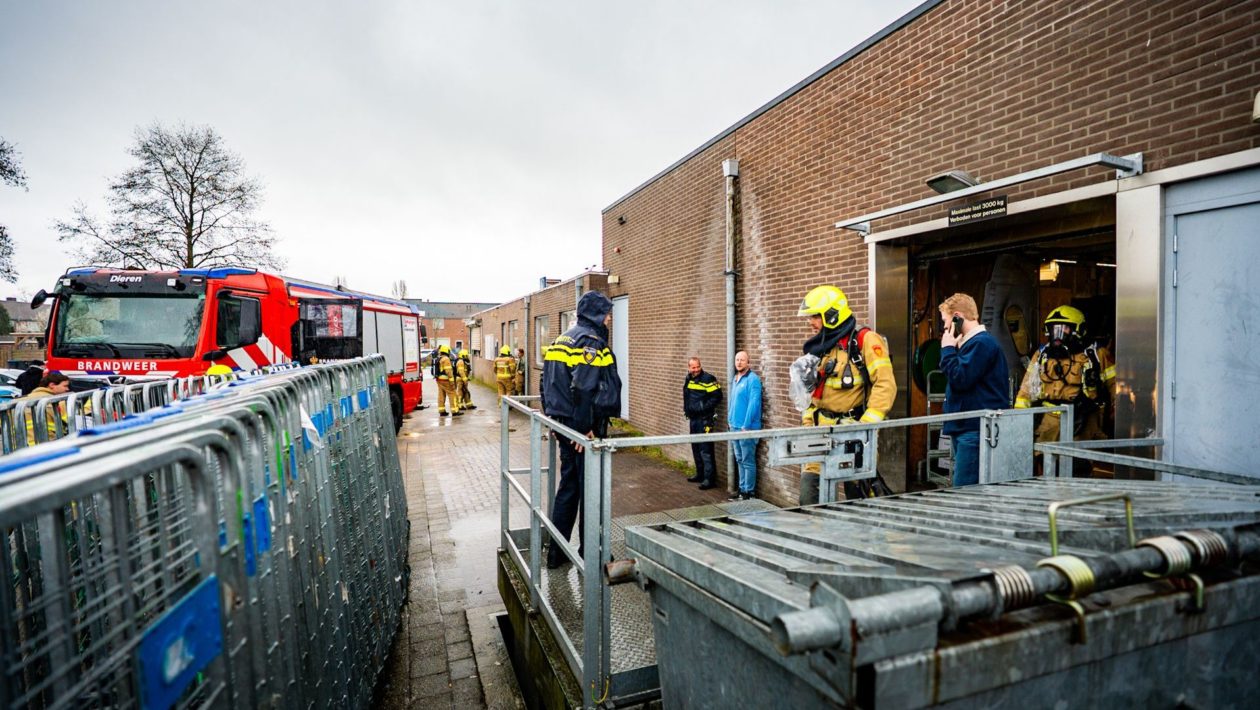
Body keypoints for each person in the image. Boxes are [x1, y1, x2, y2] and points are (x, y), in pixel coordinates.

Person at [542, 291, 621, 569]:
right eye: (608, 313)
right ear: (597, 314)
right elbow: (584, 387)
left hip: (565, 425)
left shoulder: (561, 339)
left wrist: (554, 421)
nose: (610, 318)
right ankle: (593, 553)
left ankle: (557, 553)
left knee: (569, 489)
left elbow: (547, 383)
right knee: (591, 491)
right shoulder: (590, 341)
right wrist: (582, 430)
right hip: (583, 430)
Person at [796, 285, 896, 500]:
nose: (810, 322)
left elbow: (885, 385)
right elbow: (811, 393)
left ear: (832, 315)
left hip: (854, 435)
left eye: (815, 316)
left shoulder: (866, 340)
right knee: (808, 499)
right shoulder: (820, 346)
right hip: (819, 435)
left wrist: (866, 426)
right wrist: (807, 422)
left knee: (857, 501)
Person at [1015, 306, 1116, 471]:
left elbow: (1115, 385)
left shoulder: (1096, 355)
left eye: (1064, 328)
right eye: (1054, 329)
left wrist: (1117, 411)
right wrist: (1018, 422)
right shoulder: (1041, 355)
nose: (1058, 334)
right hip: (1049, 421)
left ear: (1079, 330)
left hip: (1082, 420)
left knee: (1079, 467)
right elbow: (1025, 391)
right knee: (1047, 465)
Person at [937, 293, 1011, 487]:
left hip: (973, 429)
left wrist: (947, 349)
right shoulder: (972, 344)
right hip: (966, 426)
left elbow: (960, 378)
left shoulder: (981, 344)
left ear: (957, 317)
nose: (945, 327)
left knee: (965, 489)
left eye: (946, 321)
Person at [727, 350, 762, 500]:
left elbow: (754, 404)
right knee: (739, 459)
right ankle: (742, 490)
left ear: (748, 362)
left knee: (748, 461)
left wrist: (746, 425)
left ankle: (749, 493)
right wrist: (729, 420)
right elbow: (733, 402)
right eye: (737, 360)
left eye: (742, 360)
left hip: (746, 428)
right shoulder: (736, 378)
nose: (739, 362)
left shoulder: (752, 380)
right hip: (734, 427)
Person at [682, 357, 723, 490]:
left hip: (705, 419)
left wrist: (703, 407)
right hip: (693, 419)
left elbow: (718, 396)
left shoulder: (708, 378)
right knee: (696, 447)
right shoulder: (688, 379)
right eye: (693, 367)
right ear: (689, 368)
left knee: (706, 449)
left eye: (698, 366)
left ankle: (709, 479)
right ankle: (700, 474)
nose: (696, 369)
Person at [20, 372, 71, 445]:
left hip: (19, 450)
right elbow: (71, 422)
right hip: (48, 448)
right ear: (52, 385)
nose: (67, 389)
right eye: (65, 386)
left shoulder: (18, 402)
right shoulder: (58, 402)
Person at [432, 344, 462, 417]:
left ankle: (442, 411)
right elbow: (448, 371)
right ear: (446, 351)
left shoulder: (438, 358)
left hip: (439, 379)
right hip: (446, 380)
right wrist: (452, 382)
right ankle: (455, 411)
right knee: (452, 394)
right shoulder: (446, 359)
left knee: (441, 395)